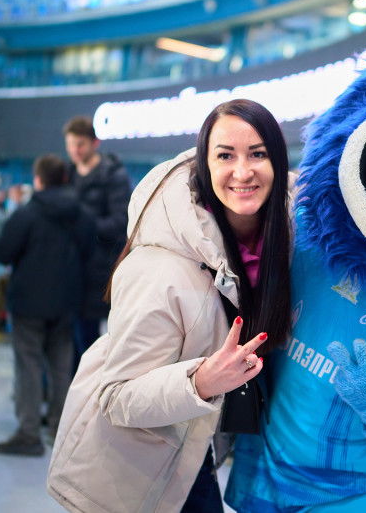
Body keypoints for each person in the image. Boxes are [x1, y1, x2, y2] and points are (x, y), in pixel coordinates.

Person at [47, 99, 292, 513]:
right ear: (204, 163)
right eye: (225, 155)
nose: (243, 171)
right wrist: (203, 382)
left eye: (258, 154)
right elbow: (116, 397)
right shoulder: (161, 268)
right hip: (135, 476)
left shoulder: (276, 252)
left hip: (193, 454)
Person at [0, 154, 94, 456]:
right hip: (66, 303)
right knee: (61, 367)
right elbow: (90, 252)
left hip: (27, 303)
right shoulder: (81, 214)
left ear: (38, 180)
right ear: (64, 179)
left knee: (29, 366)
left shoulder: (26, 214)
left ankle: (28, 435)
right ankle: (59, 431)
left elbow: (2, 253)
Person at [63, 115, 132, 363]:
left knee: (95, 346)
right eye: (70, 145)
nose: (74, 151)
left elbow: (121, 223)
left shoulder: (114, 176)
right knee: (69, 344)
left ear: (95, 143)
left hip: (100, 269)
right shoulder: (67, 174)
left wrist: (85, 226)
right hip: (70, 270)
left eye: (80, 145)